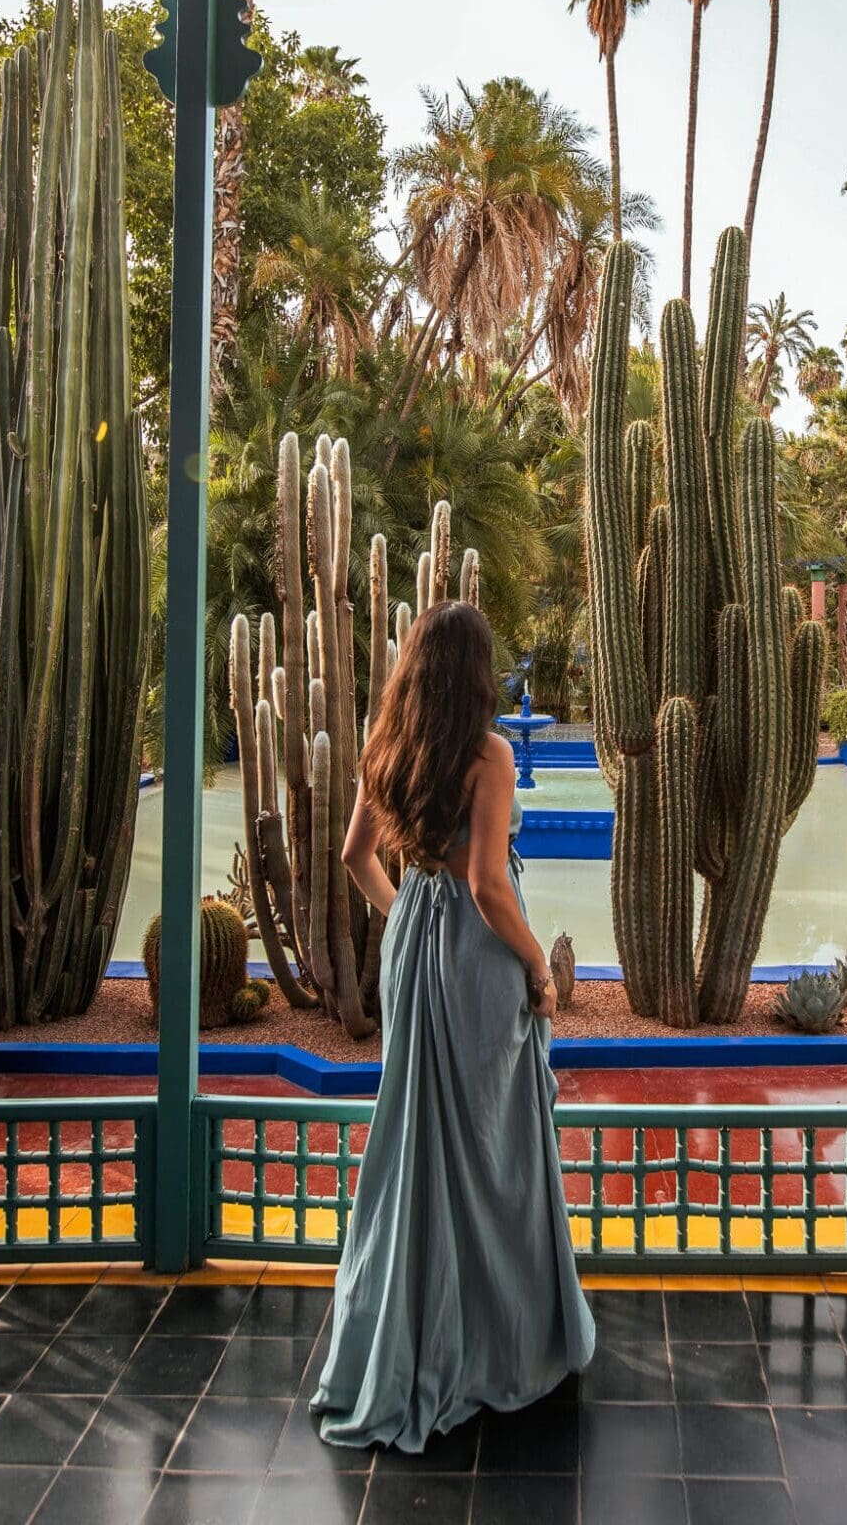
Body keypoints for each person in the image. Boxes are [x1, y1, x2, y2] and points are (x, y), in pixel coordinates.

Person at [310, 598, 595, 1452]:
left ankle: (416, 1331)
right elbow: (488, 885)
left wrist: (404, 915)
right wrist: (538, 967)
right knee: (492, 1147)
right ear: (476, 672)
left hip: (413, 946)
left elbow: (356, 857)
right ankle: (501, 1343)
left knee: (418, 1136)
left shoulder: (387, 749)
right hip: (477, 957)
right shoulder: (489, 754)